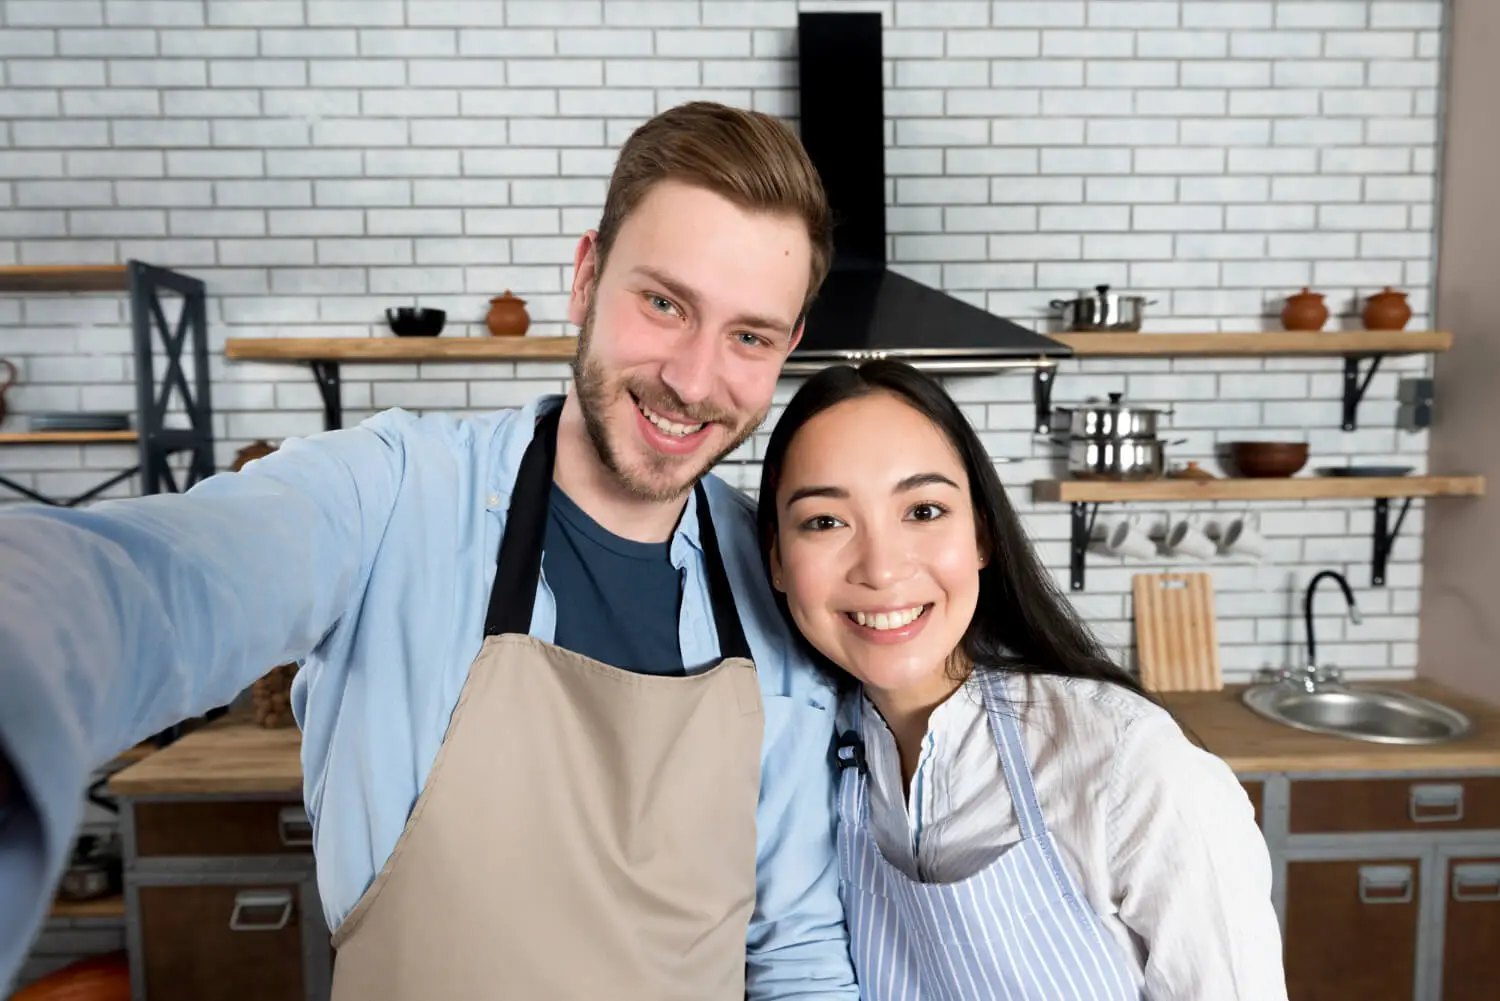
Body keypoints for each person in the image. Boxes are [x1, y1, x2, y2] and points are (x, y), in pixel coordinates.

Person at [0, 102, 859, 1000]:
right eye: (663, 303)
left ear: (787, 346)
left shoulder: (775, 577)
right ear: (586, 277)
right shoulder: (394, 493)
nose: (692, 379)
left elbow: (794, 949)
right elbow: (170, 582)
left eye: (748, 336)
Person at [755, 360, 1289, 1000]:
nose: (882, 568)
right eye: (824, 521)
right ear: (778, 561)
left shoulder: (1129, 763)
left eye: (923, 510)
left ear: (980, 536)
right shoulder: (801, 764)